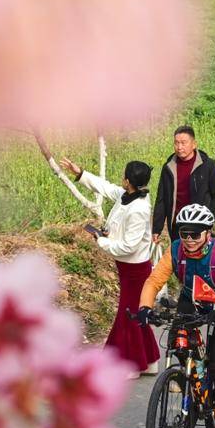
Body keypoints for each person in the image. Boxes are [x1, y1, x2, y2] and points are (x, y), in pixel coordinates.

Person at [137, 204, 215, 428]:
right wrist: (145, 307)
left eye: (195, 234)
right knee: (176, 338)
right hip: (192, 300)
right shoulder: (176, 250)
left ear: (208, 232)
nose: (189, 239)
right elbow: (154, 281)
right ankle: (187, 374)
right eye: (184, 233)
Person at [59, 157, 159, 376]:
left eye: (124, 176)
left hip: (135, 270)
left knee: (128, 317)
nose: (121, 179)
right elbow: (106, 188)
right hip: (127, 268)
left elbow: (129, 246)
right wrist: (80, 173)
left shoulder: (139, 209)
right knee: (135, 314)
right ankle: (149, 361)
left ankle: (130, 365)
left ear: (128, 181)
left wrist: (102, 241)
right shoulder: (127, 195)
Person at [152, 126, 215, 243]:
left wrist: (208, 218)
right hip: (177, 224)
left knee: (200, 253)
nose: (179, 147)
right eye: (176, 143)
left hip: (199, 224)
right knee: (178, 253)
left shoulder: (208, 165)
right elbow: (161, 199)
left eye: (183, 143)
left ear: (194, 144)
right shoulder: (168, 167)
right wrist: (157, 228)